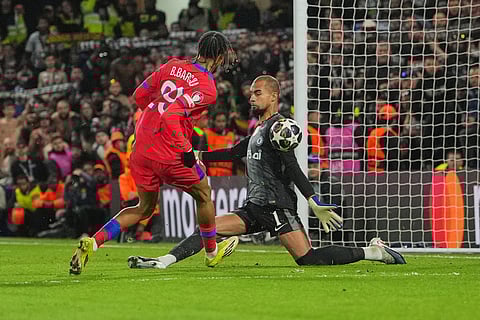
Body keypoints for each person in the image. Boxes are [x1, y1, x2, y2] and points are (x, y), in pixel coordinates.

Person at [127, 76, 406, 269]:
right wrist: (200, 155)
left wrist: (312, 200)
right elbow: (236, 151)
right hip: (255, 207)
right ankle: (163, 261)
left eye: (257, 92)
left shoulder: (279, 127)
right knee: (207, 227)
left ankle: (374, 252)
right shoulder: (260, 128)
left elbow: (293, 166)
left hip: (278, 206)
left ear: (274, 95)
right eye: (250, 93)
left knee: (307, 259)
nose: (251, 97)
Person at [69, 31, 239, 275]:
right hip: (169, 149)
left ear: (199, 48)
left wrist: (151, 121)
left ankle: (93, 242)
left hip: (140, 145)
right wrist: (187, 149)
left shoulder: (171, 66)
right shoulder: (207, 87)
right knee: (203, 194)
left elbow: (139, 96)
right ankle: (212, 253)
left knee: (144, 208)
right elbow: (172, 116)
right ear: (221, 56)